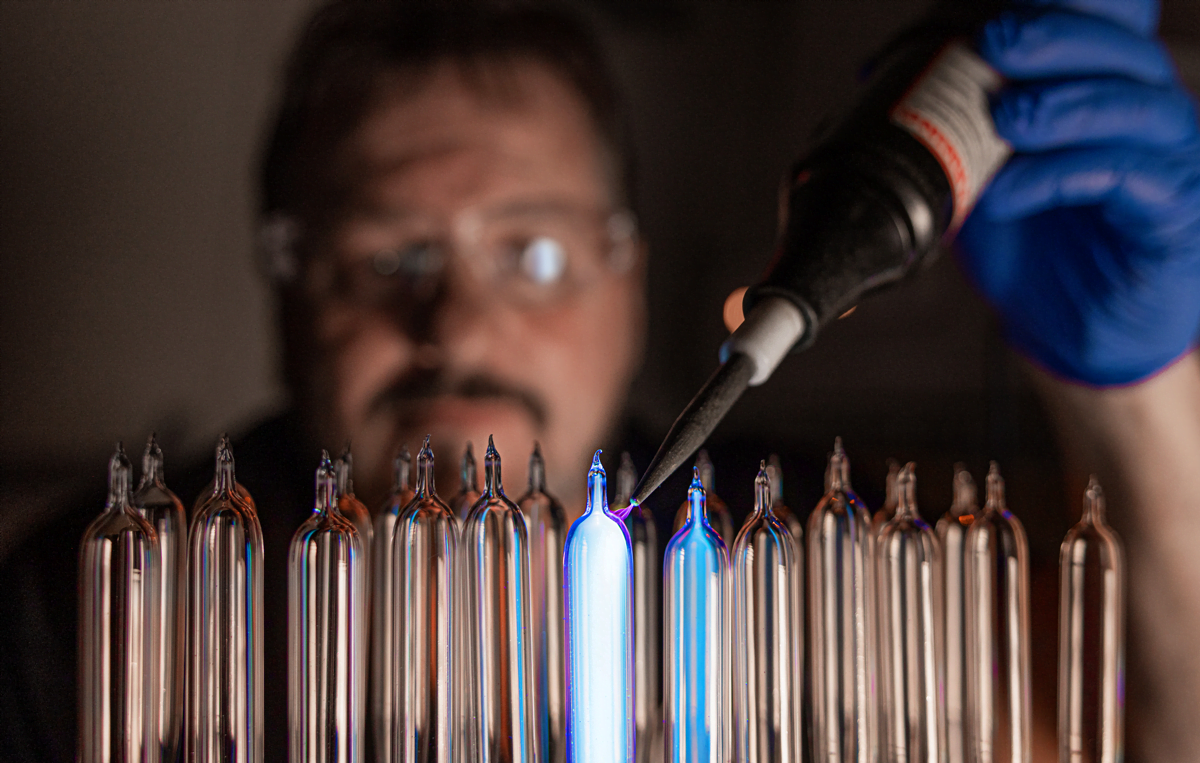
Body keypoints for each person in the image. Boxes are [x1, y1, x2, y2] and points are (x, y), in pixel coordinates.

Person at [1, 0, 1197, 760]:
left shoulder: (812, 562)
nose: (458, 318)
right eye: (388, 256)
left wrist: (1133, 389)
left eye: (535, 251)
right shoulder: (88, 606)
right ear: (287, 289)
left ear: (629, 280)